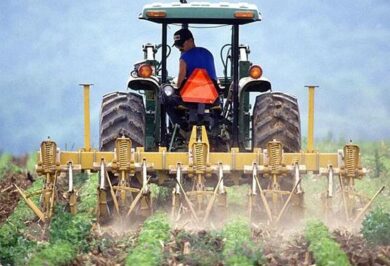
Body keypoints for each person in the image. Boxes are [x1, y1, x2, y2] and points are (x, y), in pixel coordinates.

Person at [163, 28, 219, 131]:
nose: (180, 48)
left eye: (181, 45)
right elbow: (212, 76)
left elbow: (180, 80)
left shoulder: (184, 57)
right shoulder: (208, 53)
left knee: (165, 98)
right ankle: (217, 128)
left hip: (190, 98)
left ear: (190, 41)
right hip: (212, 97)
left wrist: (176, 88)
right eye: (177, 46)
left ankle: (181, 127)